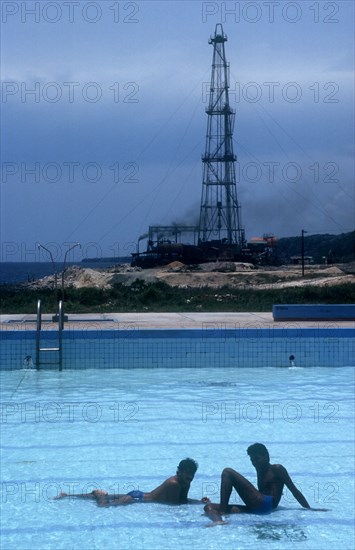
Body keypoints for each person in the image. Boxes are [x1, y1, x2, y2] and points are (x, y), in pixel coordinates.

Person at [204, 443, 328, 525]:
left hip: (266, 503)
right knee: (208, 507)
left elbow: (294, 490)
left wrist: (309, 509)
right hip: (257, 508)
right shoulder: (259, 470)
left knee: (227, 472)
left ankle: (222, 511)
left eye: (257, 459)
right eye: (252, 460)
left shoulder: (277, 469)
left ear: (266, 456)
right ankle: (219, 520)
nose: (254, 463)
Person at [56, 458, 210, 507]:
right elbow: (176, 504)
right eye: (188, 474)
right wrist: (198, 504)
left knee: (104, 496)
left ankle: (67, 495)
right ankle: (99, 495)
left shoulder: (185, 483)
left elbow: (181, 500)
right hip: (138, 498)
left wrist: (199, 502)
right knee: (104, 505)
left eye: (192, 475)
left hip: (140, 494)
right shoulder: (174, 483)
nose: (190, 477)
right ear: (180, 472)